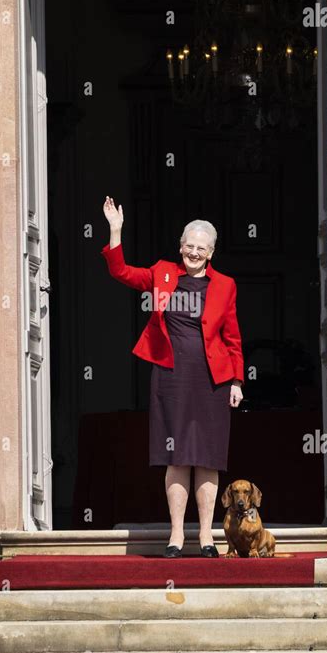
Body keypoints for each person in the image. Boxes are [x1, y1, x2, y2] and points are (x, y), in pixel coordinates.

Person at [102, 196, 244, 557]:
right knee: (177, 456)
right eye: (189, 246)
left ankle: (208, 537)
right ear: (180, 247)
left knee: (208, 458)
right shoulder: (162, 273)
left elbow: (232, 336)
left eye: (202, 248)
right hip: (171, 378)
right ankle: (177, 536)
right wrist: (116, 230)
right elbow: (121, 272)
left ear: (211, 253)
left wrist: (237, 381)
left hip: (213, 380)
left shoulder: (225, 285)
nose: (194, 252)